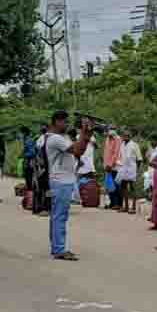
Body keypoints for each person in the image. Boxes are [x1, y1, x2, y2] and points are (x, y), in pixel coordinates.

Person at [45, 110, 93, 261]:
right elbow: (78, 150)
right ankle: (59, 249)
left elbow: (79, 151)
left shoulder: (58, 138)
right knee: (60, 216)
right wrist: (85, 132)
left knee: (56, 216)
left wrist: (86, 135)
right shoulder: (56, 139)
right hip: (61, 181)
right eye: (64, 121)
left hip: (60, 181)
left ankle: (56, 247)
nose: (66, 124)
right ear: (56, 122)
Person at [117, 129, 142, 213]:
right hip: (123, 168)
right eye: (124, 135)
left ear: (130, 136)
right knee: (123, 187)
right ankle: (126, 206)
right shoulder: (122, 145)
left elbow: (139, 159)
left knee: (132, 188)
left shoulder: (135, 145)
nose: (125, 137)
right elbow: (121, 157)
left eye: (127, 135)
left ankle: (133, 207)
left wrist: (136, 170)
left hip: (132, 168)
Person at [33, 126, 51, 216]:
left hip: (41, 169)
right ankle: (45, 208)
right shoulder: (47, 139)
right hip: (45, 169)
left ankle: (39, 208)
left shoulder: (38, 139)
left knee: (40, 189)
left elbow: (36, 154)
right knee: (46, 189)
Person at [103, 127, 123, 210]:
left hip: (115, 166)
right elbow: (105, 152)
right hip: (107, 165)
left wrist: (110, 164)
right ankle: (112, 202)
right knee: (110, 185)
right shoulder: (107, 139)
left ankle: (118, 203)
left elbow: (116, 152)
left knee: (116, 185)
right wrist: (105, 164)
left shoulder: (118, 139)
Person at [19, 126, 37, 199]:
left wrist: (23, 155)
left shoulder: (28, 141)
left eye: (20, 133)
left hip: (29, 164)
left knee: (29, 182)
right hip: (27, 163)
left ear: (24, 133)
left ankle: (30, 200)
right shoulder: (26, 140)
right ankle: (29, 199)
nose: (19, 134)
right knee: (28, 181)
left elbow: (32, 153)